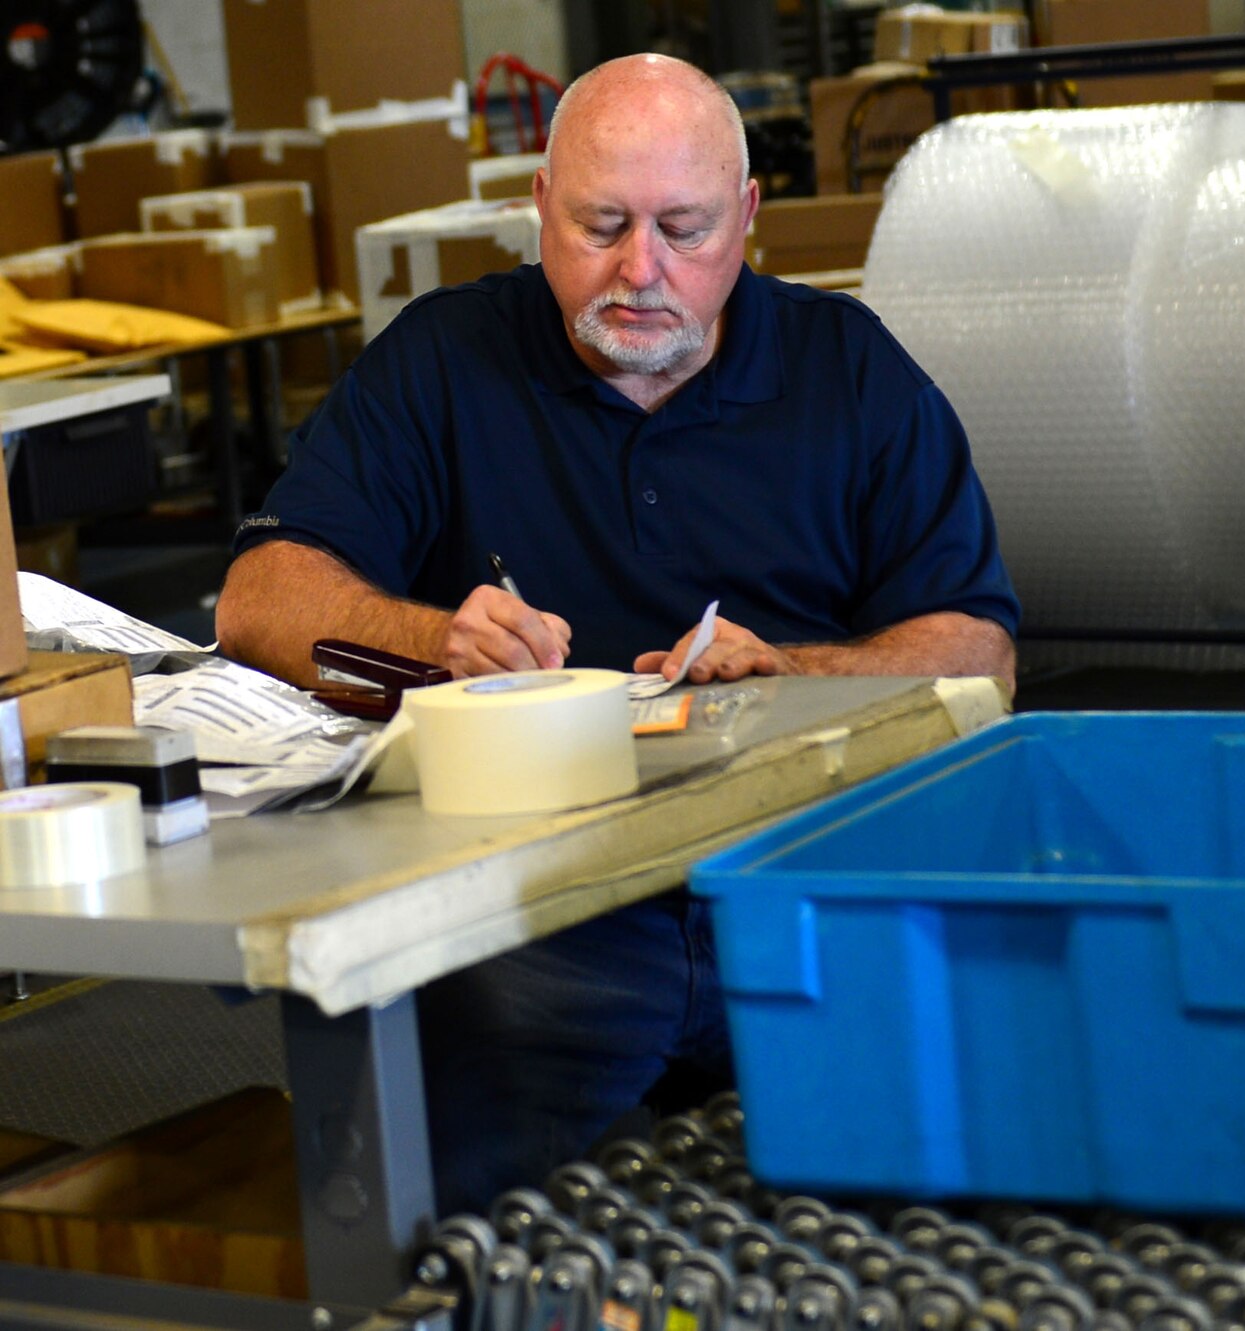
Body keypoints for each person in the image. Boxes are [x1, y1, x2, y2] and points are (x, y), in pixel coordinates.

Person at [213, 53, 1019, 1214]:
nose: (640, 270)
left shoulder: (848, 372)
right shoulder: (442, 360)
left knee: (910, 1192)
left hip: (796, 871)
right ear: (537, 204)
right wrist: (435, 639)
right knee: (469, 1222)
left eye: (684, 230)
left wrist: (795, 668)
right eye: (599, 225)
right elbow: (259, 595)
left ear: (745, 218)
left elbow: (976, 650)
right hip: (547, 904)